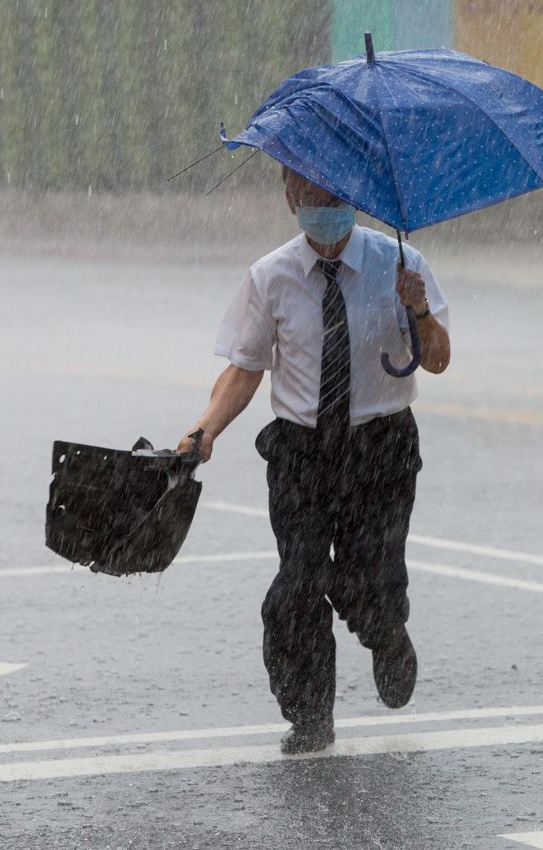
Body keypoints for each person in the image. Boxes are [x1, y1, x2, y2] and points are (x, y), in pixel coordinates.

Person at [178, 167, 451, 754]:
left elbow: (438, 361)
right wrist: (204, 431)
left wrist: (420, 311)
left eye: (336, 195)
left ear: (355, 196)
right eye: (312, 195)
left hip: (380, 450)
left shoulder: (399, 264)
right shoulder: (270, 277)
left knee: (366, 581)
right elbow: (245, 367)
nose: (324, 205)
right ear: (290, 198)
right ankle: (309, 716)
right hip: (301, 454)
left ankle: (386, 633)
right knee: (297, 586)